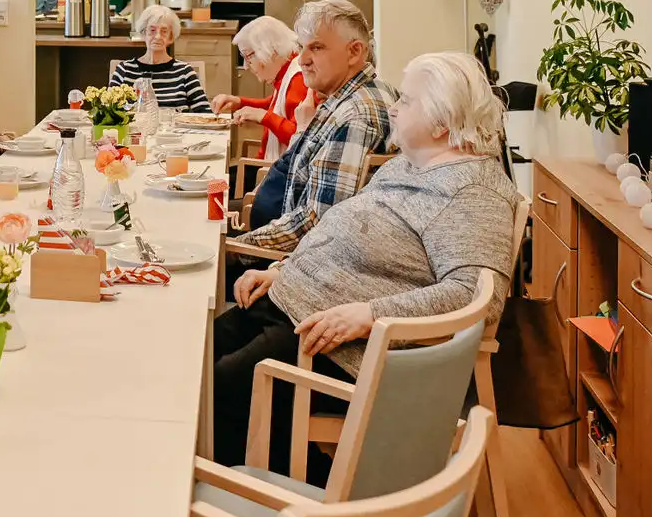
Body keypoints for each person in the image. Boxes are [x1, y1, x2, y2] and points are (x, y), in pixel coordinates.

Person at [207, 52, 518, 468]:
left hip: (344, 346)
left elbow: (478, 295)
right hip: (293, 306)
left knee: (218, 388)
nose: (393, 106)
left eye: (406, 101)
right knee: (197, 355)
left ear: (443, 122)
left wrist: (370, 314)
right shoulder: (407, 166)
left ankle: (299, 500)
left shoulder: (473, 193)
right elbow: (344, 234)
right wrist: (280, 269)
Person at [231, 0, 392, 254]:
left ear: (355, 52)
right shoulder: (348, 96)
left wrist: (238, 245)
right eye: (302, 47)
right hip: (282, 234)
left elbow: (319, 224)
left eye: (316, 47)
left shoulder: (355, 117)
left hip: (287, 260)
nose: (302, 59)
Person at [213, 15, 307, 160]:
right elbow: (274, 105)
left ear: (270, 51)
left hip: (272, 176)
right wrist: (239, 102)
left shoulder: (298, 79)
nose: (245, 67)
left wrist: (262, 116)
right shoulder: (288, 71)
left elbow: (299, 139)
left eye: (248, 57)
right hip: (265, 167)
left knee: (213, 177)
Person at [108, 4, 212, 112]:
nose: (157, 36)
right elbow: (107, 112)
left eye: (164, 31)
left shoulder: (185, 72)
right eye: (152, 30)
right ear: (143, 33)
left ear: (171, 37)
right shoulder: (124, 70)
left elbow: (205, 113)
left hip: (175, 129)